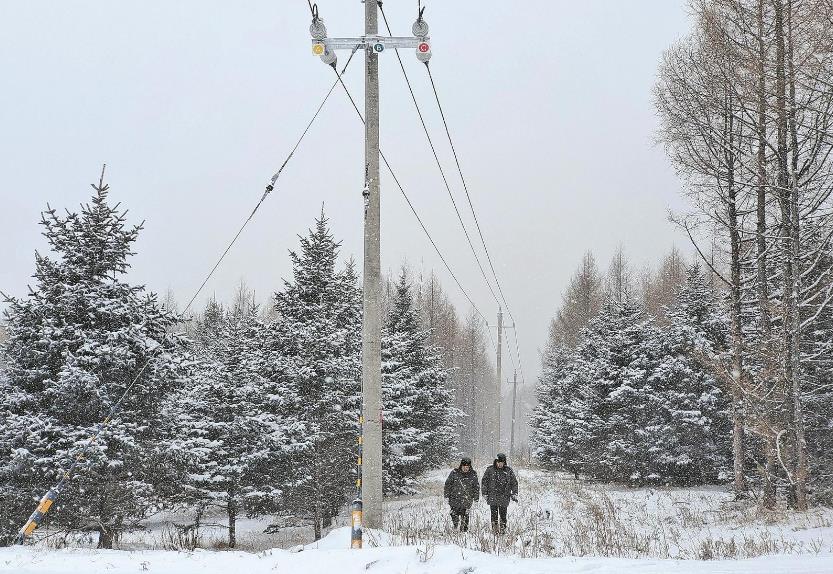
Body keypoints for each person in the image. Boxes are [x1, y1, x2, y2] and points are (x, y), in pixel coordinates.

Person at [481, 452, 518, 534]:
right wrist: (484, 493)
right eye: (498, 462)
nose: (500, 464)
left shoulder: (508, 470)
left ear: (504, 462)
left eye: (502, 462)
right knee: (494, 516)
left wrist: (514, 493)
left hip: (504, 497)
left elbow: (514, 483)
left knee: (503, 516)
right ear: (496, 462)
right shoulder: (490, 470)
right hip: (492, 497)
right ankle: (495, 531)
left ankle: (502, 530)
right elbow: (484, 482)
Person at [443, 457, 479, 532]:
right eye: (464, 466)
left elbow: (476, 487)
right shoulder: (454, 473)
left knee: (465, 516)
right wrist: (446, 496)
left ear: (469, 467)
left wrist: (476, 499)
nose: (465, 468)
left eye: (467, 467)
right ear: (461, 466)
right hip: (454, 499)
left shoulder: (473, 474)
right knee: (454, 514)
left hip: (467, 499)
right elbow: (448, 485)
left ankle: (464, 532)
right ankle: (455, 527)